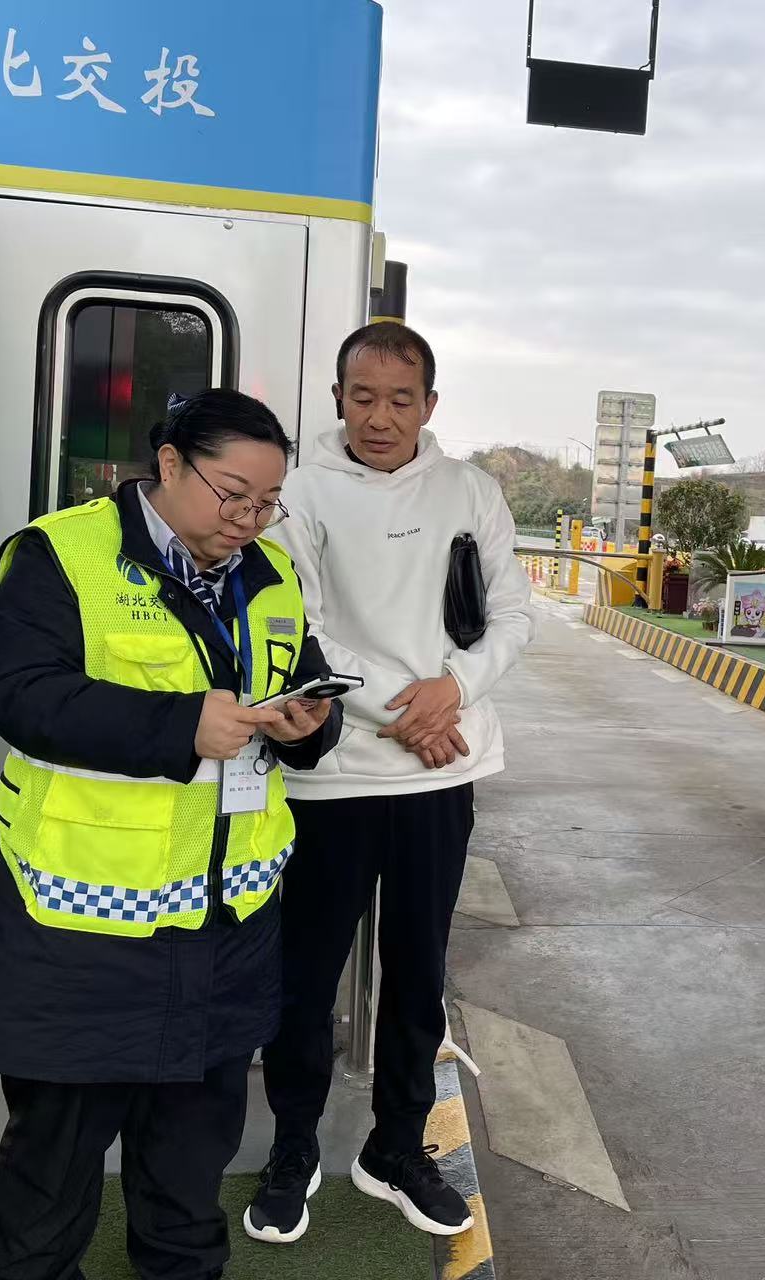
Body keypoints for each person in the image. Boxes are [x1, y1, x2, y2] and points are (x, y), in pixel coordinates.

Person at [0, 389, 342, 1280]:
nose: (248, 520)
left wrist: (308, 725)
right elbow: (19, 694)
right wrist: (179, 726)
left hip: (224, 928)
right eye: (232, 494)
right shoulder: (61, 554)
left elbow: (305, 682)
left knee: (188, 1178)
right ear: (169, 463)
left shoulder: (269, 574)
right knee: (50, 1181)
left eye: (267, 503)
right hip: (81, 930)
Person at [246, 323, 534, 1243]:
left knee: (418, 975)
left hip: (443, 773)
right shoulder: (298, 492)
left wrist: (456, 690)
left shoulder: (471, 490)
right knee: (305, 978)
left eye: (400, 399)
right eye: (362, 397)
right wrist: (411, 711)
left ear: (429, 405)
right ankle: (294, 1146)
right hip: (335, 776)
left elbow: (513, 614)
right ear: (338, 398)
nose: (380, 417)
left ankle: (397, 1149)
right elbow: (300, 626)